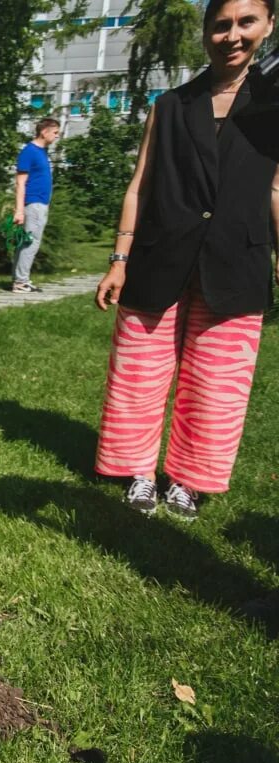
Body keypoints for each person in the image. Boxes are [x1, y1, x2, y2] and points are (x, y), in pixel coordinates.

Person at [94, 0, 276, 521]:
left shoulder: (274, 106)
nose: (233, 35)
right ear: (205, 32)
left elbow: (277, 192)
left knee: (218, 385)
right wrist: (118, 259)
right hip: (158, 259)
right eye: (221, 25)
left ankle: (190, 482)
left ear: (268, 26)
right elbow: (139, 188)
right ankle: (137, 472)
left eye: (247, 22)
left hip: (237, 263)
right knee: (139, 375)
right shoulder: (171, 105)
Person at [11, 117, 60, 294]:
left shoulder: (42, 152)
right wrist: (19, 210)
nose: (56, 137)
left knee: (27, 242)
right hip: (33, 203)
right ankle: (21, 282)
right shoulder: (29, 152)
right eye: (55, 133)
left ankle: (19, 279)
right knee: (30, 243)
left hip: (41, 203)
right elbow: (20, 183)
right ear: (44, 132)